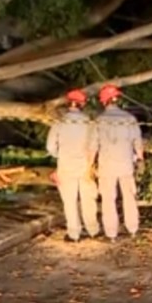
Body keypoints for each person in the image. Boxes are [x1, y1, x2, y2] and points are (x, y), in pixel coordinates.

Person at [45, 89, 99, 242]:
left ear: (68, 104)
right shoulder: (90, 123)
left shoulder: (59, 123)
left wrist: (60, 154)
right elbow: (94, 146)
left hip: (65, 165)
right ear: (82, 104)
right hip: (86, 165)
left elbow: (50, 147)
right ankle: (93, 230)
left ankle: (74, 233)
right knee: (88, 199)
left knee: (69, 200)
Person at [94, 84, 144, 241]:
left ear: (103, 101)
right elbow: (138, 142)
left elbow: (93, 146)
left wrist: (90, 165)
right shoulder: (129, 119)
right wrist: (140, 159)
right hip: (126, 164)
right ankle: (133, 229)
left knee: (108, 199)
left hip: (107, 166)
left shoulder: (99, 121)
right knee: (129, 196)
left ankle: (111, 234)